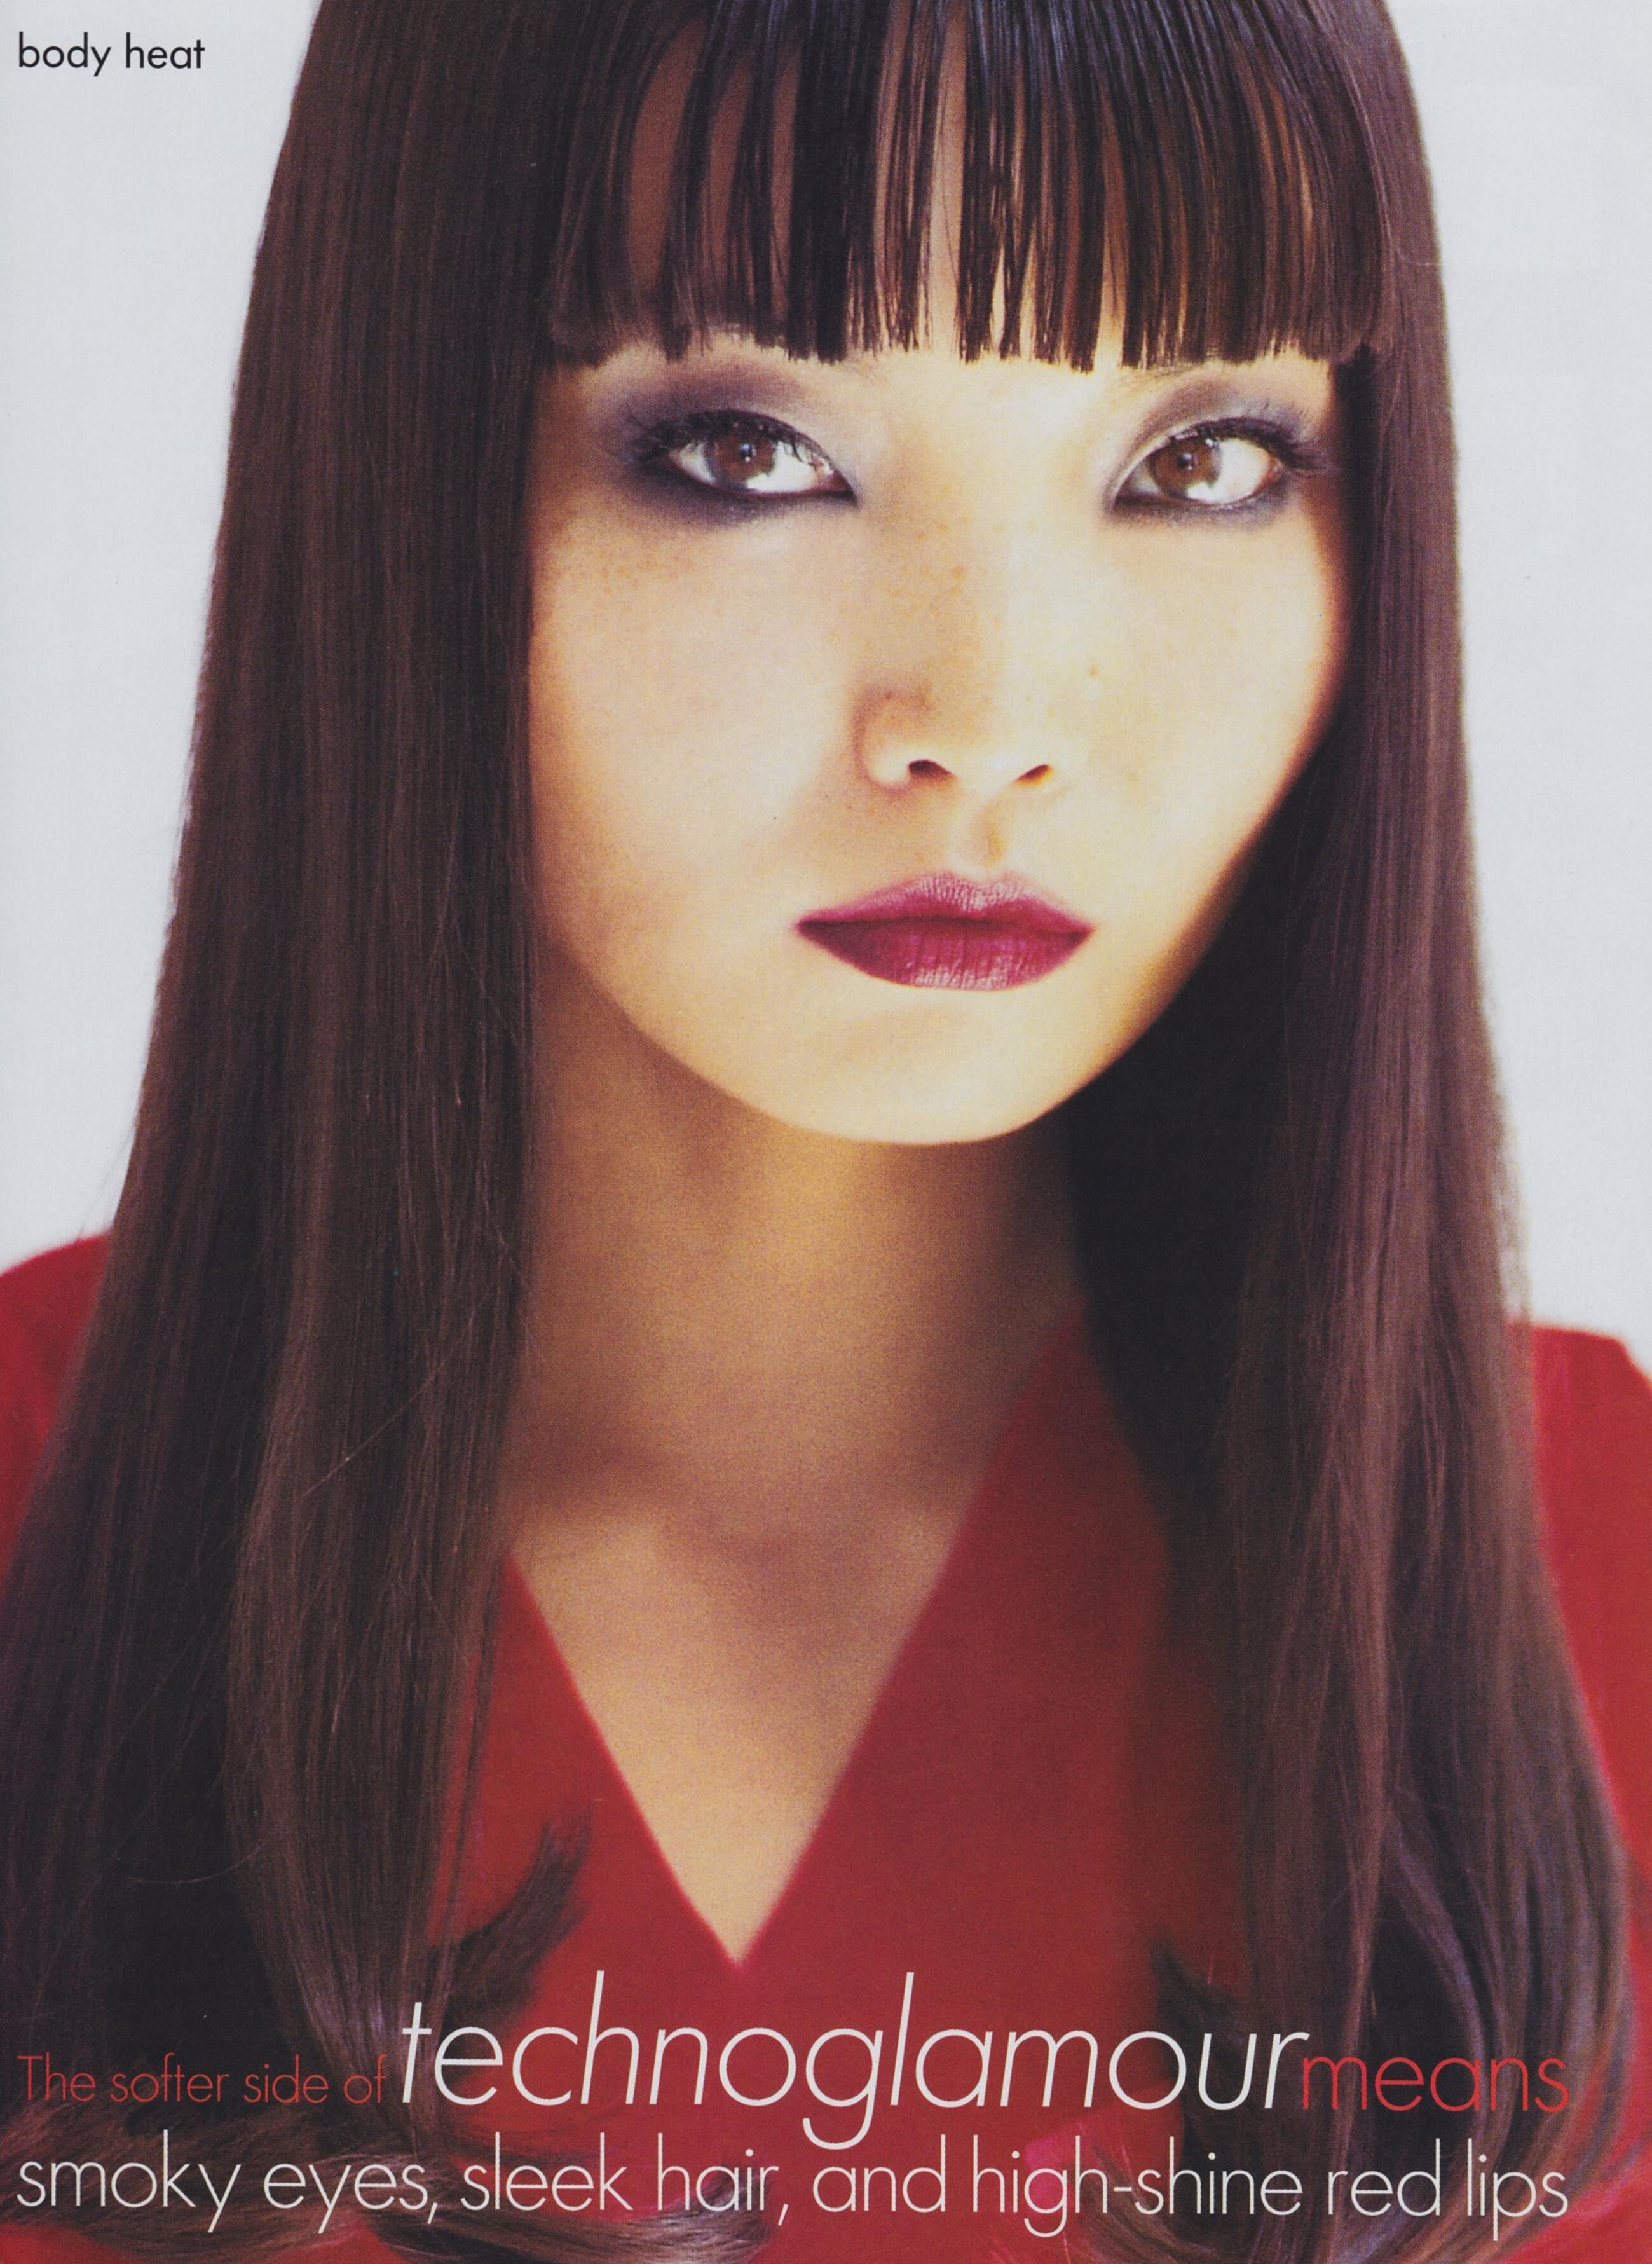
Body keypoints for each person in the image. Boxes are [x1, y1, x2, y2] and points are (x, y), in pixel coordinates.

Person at [2, 0, 1648, 2258]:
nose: (988, 717)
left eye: (1202, 462)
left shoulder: (1605, 1576)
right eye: (748, 452)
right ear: (393, 459)